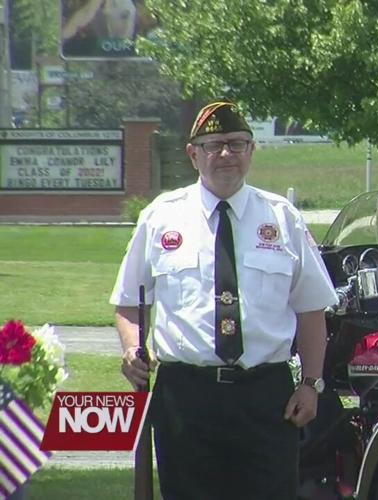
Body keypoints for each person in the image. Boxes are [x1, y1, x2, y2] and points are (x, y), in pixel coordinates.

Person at [109, 101, 338, 499]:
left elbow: (311, 308)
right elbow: (128, 302)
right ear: (193, 154)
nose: (225, 154)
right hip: (186, 398)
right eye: (213, 145)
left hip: (267, 396)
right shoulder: (161, 217)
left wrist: (312, 384)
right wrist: (132, 348)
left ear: (252, 151)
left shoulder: (282, 218)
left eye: (236, 143)